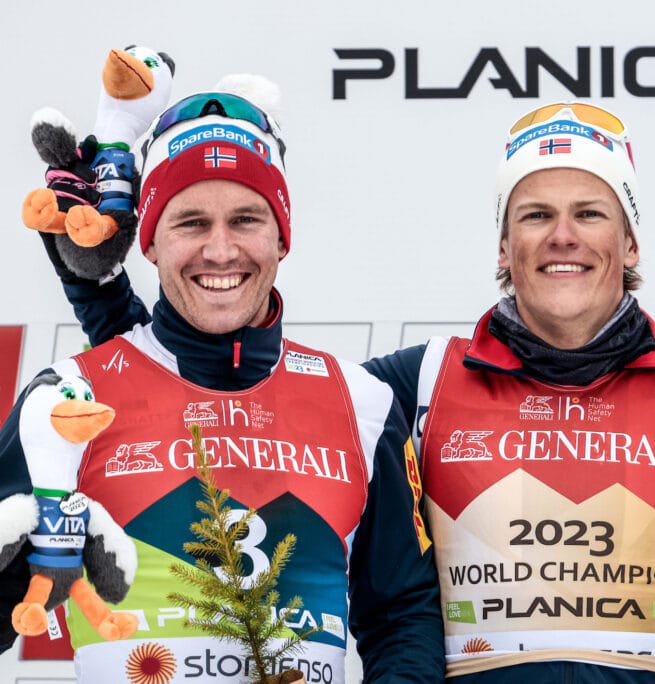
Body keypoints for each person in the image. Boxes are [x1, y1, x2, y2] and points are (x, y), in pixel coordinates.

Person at [26, 101, 655, 682]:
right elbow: (230, 396)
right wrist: (102, 299)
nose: (562, 237)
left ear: (630, 241)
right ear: (503, 245)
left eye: (591, 213)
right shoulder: (414, 385)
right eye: (535, 215)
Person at [0, 83, 444, 683]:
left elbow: (402, 618)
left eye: (245, 219)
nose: (220, 249)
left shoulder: (360, 403)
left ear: (282, 236)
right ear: (150, 242)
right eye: (190, 222)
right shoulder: (71, 398)